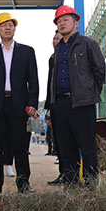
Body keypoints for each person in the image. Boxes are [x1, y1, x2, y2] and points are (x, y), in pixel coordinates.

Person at [47, 5, 106, 186]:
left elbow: (99, 71)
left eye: (65, 20)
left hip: (82, 104)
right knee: (66, 148)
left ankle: (90, 183)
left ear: (76, 23)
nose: (62, 23)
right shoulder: (57, 49)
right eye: (59, 21)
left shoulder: (88, 44)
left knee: (87, 146)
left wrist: (88, 93)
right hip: (61, 105)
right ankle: (72, 184)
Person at [0, 13, 39, 195]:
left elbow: (33, 80)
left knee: (20, 146)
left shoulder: (27, 52)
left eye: (10, 25)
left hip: (19, 105)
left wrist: (32, 103)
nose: (7, 28)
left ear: (14, 28)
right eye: (3, 25)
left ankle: (23, 184)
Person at [46, 30, 64, 184]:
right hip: (55, 104)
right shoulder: (52, 58)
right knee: (58, 140)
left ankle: (73, 175)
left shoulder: (69, 55)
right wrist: (48, 106)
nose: (55, 41)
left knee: (70, 142)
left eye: (58, 39)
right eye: (54, 38)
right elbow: (49, 83)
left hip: (70, 104)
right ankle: (63, 174)